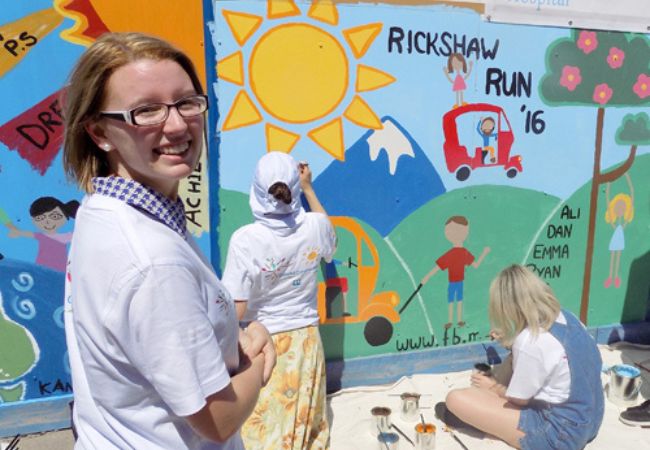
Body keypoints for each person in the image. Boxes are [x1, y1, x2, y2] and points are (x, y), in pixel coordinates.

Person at [61, 32, 275, 449]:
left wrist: (233, 342)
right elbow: (218, 418)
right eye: (146, 111)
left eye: (186, 102)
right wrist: (259, 361)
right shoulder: (154, 261)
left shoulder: (103, 211)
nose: (176, 124)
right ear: (99, 132)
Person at [222, 151, 336, 449]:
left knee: (263, 431)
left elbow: (236, 306)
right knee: (303, 427)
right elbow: (331, 247)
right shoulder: (316, 226)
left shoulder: (246, 239)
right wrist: (309, 188)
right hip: (308, 342)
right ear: (295, 188)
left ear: (257, 193)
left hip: (265, 345)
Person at [444, 265, 604, 449]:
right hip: (590, 420)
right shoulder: (567, 316)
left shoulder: (530, 340)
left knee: (456, 399)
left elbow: (519, 400)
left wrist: (493, 387)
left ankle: (504, 431)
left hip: (560, 436)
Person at [421, 216, 489, 329]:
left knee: (458, 300)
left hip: (459, 282)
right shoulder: (450, 254)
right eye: (448, 230)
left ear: (466, 232)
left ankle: (459, 320)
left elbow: (476, 265)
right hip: (452, 282)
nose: (451, 233)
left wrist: (484, 253)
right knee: (452, 300)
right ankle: (450, 321)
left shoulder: (464, 253)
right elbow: (438, 266)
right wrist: (427, 277)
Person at [8, 196, 79, 272]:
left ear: (65, 216)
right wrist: (18, 232)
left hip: (58, 270)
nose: (47, 222)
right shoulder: (42, 236)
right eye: (40, 218)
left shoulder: (65, 237)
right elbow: (29, 234)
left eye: (54, 216)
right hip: (41, 269)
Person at [604, 173, 634, 288]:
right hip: (615, 239)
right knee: (612, 257)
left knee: (617, 257)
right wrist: (608, 185)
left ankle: (615, 277)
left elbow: (631, 197)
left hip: (620, 239)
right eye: (618, 207)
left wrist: (628, 178)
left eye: (622, 207)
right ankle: (610, 277)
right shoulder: (614, 221)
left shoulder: (624, 222)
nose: (620, 209)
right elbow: (607, 200)